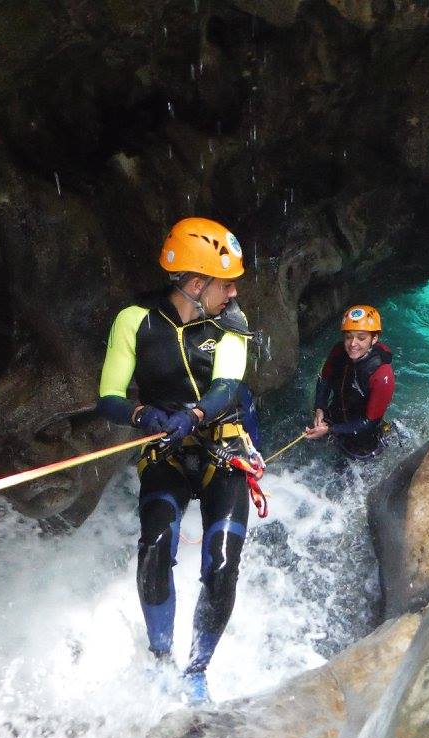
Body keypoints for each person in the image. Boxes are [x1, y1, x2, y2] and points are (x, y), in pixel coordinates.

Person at [96, 216, 262, 703]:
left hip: (220, 445)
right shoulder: (135, 321)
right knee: (155, 545)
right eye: (225, 283)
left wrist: (194, 415)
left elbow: (228, 387)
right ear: (195, 284)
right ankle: (159, 656)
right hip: (164, 447)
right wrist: (142, 414)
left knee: (224, 561)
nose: (233, 293)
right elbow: (108, 396)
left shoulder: (233, 323)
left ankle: (196, 670)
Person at [305, 304, 395, 460]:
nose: (353, 344)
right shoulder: (338, 351)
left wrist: (330, 429)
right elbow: (325, 379)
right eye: (348, 336)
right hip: (334, 420)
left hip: (364, 439)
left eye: (361, 337)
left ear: (374, 339)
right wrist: (319, 408)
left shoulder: (382, 374)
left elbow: (370, 422)